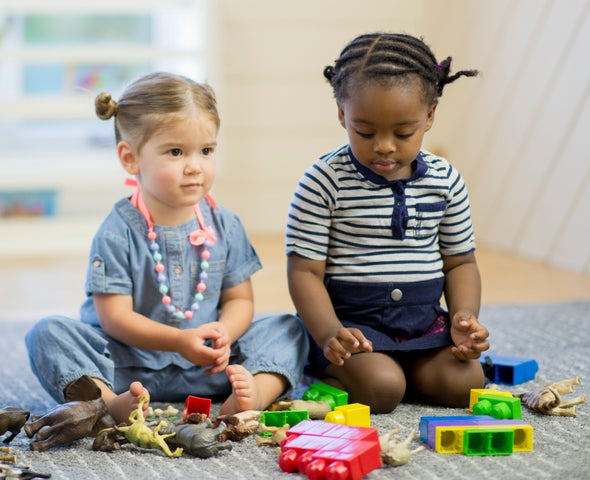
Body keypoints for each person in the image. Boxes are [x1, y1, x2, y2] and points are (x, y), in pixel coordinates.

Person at [25, 72, 308, 424]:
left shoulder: (226, 224)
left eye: (206, 151)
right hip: (126, 366)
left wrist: (225, 333)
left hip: (209, 367)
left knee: (288, 327)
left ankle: (255, 392)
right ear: (130, 159)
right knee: (47, 333)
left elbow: (240, 299)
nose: (194, 166)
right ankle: (109, 401)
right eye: (176, 152)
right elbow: (115, 317)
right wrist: (177, 340)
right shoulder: (117, 232)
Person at [286, 33, 490, 414]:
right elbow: (304, 272)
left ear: (429, 117)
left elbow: (461, 262)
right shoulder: (323, 181)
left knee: (465, 385)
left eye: (402, 133)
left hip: (423, 325)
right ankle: (327, 371)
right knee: (382, 389)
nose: (383, 146)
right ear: (342, 115)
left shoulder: (445, 180)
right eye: (365, 131)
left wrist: (465, 317)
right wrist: (329, 332)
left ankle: (411, 365)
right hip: (352, 328)